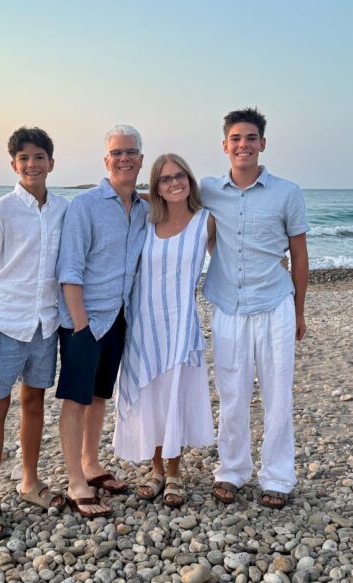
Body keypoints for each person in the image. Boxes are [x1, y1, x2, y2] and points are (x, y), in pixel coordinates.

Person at [202, 108, 309, 509]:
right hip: (227, 306)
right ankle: (231, 470)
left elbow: (299, 256)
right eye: (235, 138)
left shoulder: (287, 192)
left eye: (250, 138)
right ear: (225, 145)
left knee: (278, 394)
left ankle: (278, 477)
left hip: (275, 304)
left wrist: (299, 310)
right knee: (231, 393)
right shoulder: (209, 190)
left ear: (262, 144)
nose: (243, 145)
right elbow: (167, 197)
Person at [0, 126, 69, 539]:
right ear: (14, 164)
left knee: (34, 402)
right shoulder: (1, 210)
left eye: (39, 157)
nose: (32, 164)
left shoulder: (64, 209)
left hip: (46, 322)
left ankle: (28, 480)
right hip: (6, 322)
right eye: (24, 158)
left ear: (51, 162)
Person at [55, 124, 149, 518]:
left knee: (98, 397)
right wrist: (80, 326)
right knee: (76, 400)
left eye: (131, 152)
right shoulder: (85, 206)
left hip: (118, 316)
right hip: (84, 319)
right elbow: (69, 269)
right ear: (106, 160)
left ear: (141, 160)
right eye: (116, 153)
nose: (124, 158)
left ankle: (91, 465)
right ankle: (75, 479)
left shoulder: (144, 209)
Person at [113, 153, 215, 508]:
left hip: (180, 323)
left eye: (180, 176)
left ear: (189, 180)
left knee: (174, 396)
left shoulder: (206, 221)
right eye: (165, 178)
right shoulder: (146, 220)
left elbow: (232, 260)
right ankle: (155, 470)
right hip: (143, 323)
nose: (174, 183)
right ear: (155, 186)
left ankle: (173, 473)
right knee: (151, 397)